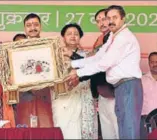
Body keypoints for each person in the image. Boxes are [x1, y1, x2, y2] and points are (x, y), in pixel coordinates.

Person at [67, 5, 143, 139]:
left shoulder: (123, 38)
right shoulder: (113, 36)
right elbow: (97, 57)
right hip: (120, 88)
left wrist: (77, 73)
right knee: (123, 129)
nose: (111, 21)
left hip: (128, 86)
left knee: (128, 130)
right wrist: (72, 64)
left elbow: (103, 64)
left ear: (123, 19)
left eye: (115, 17)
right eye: (109, 18)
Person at [64, 8, 118, 139]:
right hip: (96, 93)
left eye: (104, 19)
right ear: (63, 37)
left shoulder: (114, 39)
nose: (102, 23)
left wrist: (76, 68)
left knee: (115, 128)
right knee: (107, 130)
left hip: (109, 91)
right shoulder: (100, 41)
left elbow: (97, 66)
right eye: (98, 21)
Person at [52, 23, 97, 139]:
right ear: (63, 37)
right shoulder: (55, 55)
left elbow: (91, 70)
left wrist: (73, 55)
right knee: (62, 128)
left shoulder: (88, 56)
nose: (73, 36)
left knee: (80, 130)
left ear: (80, 37)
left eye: (76, 34)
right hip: (62, 98)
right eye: (69, 34)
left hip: (82, 96)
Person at [15, 13, 54, 127]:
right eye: (29, 25)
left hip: (45, 93)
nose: (32, 28)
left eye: (35, 24)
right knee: (25, 128)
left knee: (46, 128)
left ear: (40, 26)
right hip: (25, 94)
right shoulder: (17, 49)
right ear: (25, 29)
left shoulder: (50, 46)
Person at [140, 52, 157, 139]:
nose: (155, 64)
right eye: (152, 62)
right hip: (146, 120)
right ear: (149, 63)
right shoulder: (142, 80)